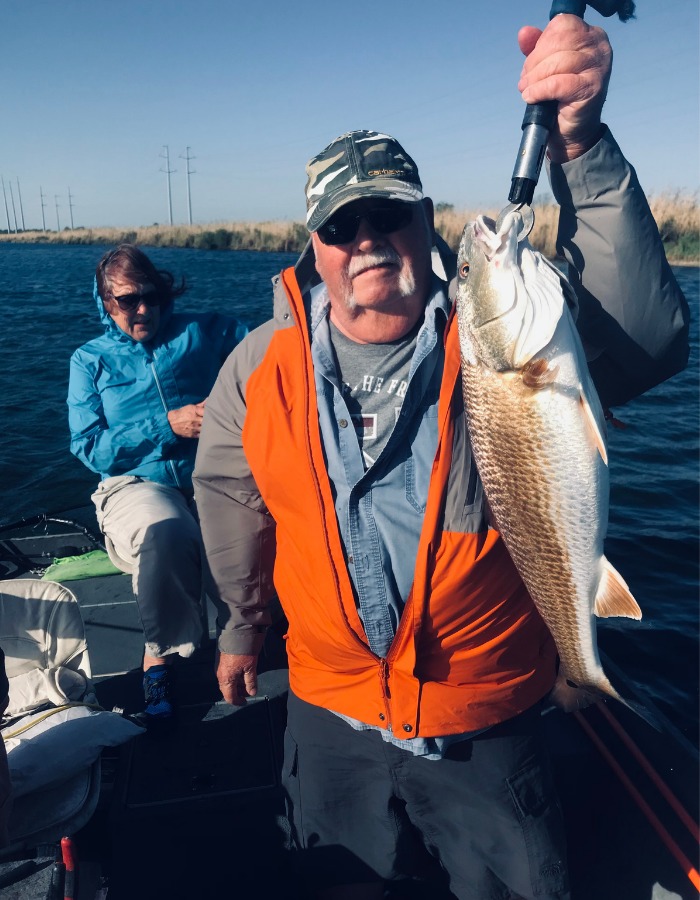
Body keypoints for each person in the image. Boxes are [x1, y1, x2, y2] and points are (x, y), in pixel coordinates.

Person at [192, 15, 689, 900]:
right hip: (329, 711)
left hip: (486, 712)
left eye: (389, 213)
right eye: (343, 223)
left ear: (425, 222)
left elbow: (648, 338)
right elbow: (232, 497)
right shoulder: (255, 367)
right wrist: (240, 628)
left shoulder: (505, 340)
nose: (368, 237)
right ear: (314, 246)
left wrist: (580, 148)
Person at [68, 244, 247, 729]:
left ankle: (242, 641)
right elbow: (89, 447)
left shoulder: (203, 331)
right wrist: (167, 425)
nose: (143, 309)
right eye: (128, 300)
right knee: (166, 531)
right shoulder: (89, 361)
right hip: (133, 482)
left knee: (248, 533)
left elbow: (274, 347)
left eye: (151, 296)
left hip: (212, 472)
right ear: (106, 302)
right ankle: (159, 659)